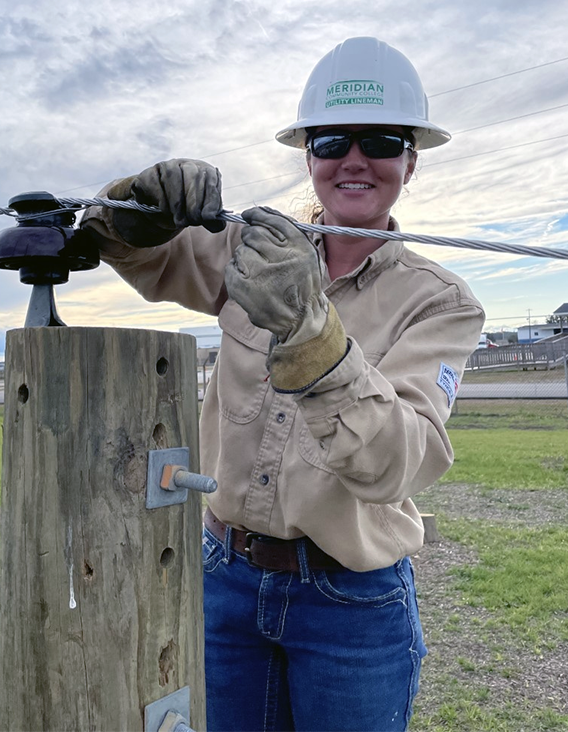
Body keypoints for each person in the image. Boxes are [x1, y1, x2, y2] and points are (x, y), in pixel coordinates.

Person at [82, 36, 485, 732]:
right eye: (332, 140)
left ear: (410, 162)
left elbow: (401, 462)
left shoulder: (441, 303)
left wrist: (310, 335)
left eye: (382, 140)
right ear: (310, 157)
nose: (354, 159)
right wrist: (133, 205)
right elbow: (134, 251)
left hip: (350, 601)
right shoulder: (249, 249)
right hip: (225, 581)